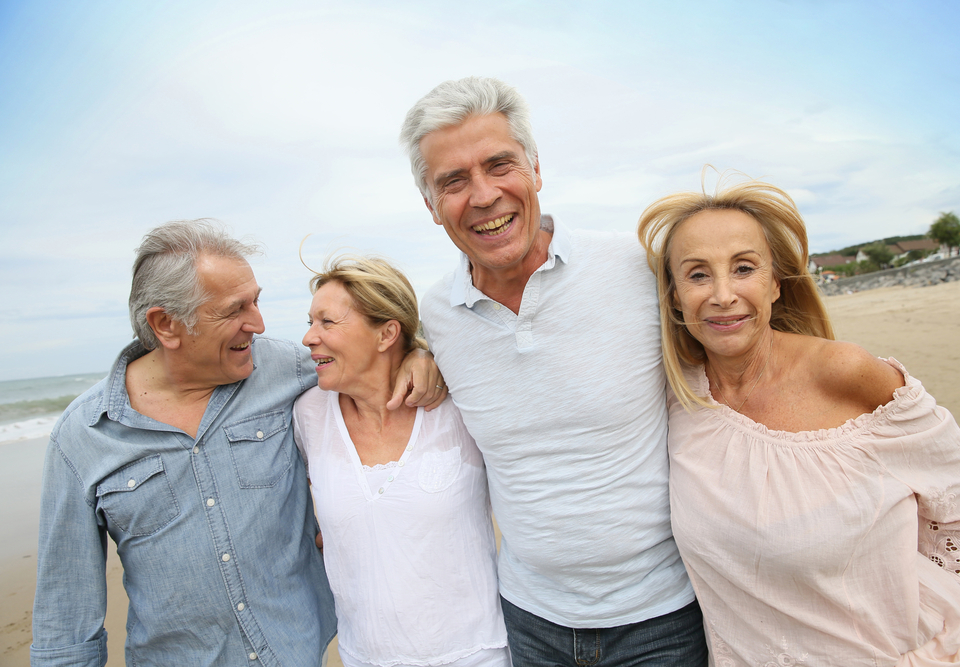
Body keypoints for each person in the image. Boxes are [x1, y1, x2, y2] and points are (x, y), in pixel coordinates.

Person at [30, 220, 444, 667]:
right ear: (166, 324)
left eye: (256, 301)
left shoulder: (287, 370)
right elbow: (65, 622)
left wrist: (420, 355)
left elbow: (367, 358)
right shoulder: (82, 436)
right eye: (234, 310)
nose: (258, 324)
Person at [400, 77, 706, 666]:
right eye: (453, 181)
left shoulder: (636, 266)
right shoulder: (437, 316)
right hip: (529, 621)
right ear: (431, 205)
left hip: (662, 618)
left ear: (536, 168)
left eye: (500, 165)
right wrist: (420, 352)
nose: (484, 195)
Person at [637, 179, 960, 666]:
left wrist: (950, 624)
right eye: (698, 275)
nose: (723, 295)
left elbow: (959, 490)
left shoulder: (845, 372)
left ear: (775, 282)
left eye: (744, 268)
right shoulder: (678, 398)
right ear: (675, 296)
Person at [292, 255, 509, 667]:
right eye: (310, 322)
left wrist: (426, 354)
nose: (308, 338)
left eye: (327, 322)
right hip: (363, 657)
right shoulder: (308, 414)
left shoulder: (457, 403)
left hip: (475, 654)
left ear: (387, 333)